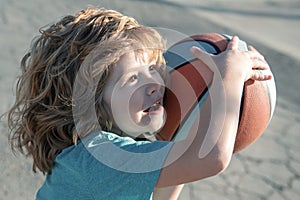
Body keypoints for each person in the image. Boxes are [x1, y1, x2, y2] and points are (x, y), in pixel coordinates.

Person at [7, 6, 272, 200]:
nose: (156, 83)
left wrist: (184, 128)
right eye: (133, 78)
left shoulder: (102, 152)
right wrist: (230, 78)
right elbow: (210, 159)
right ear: (92, 104)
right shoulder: (100, 160)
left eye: (153, 68)